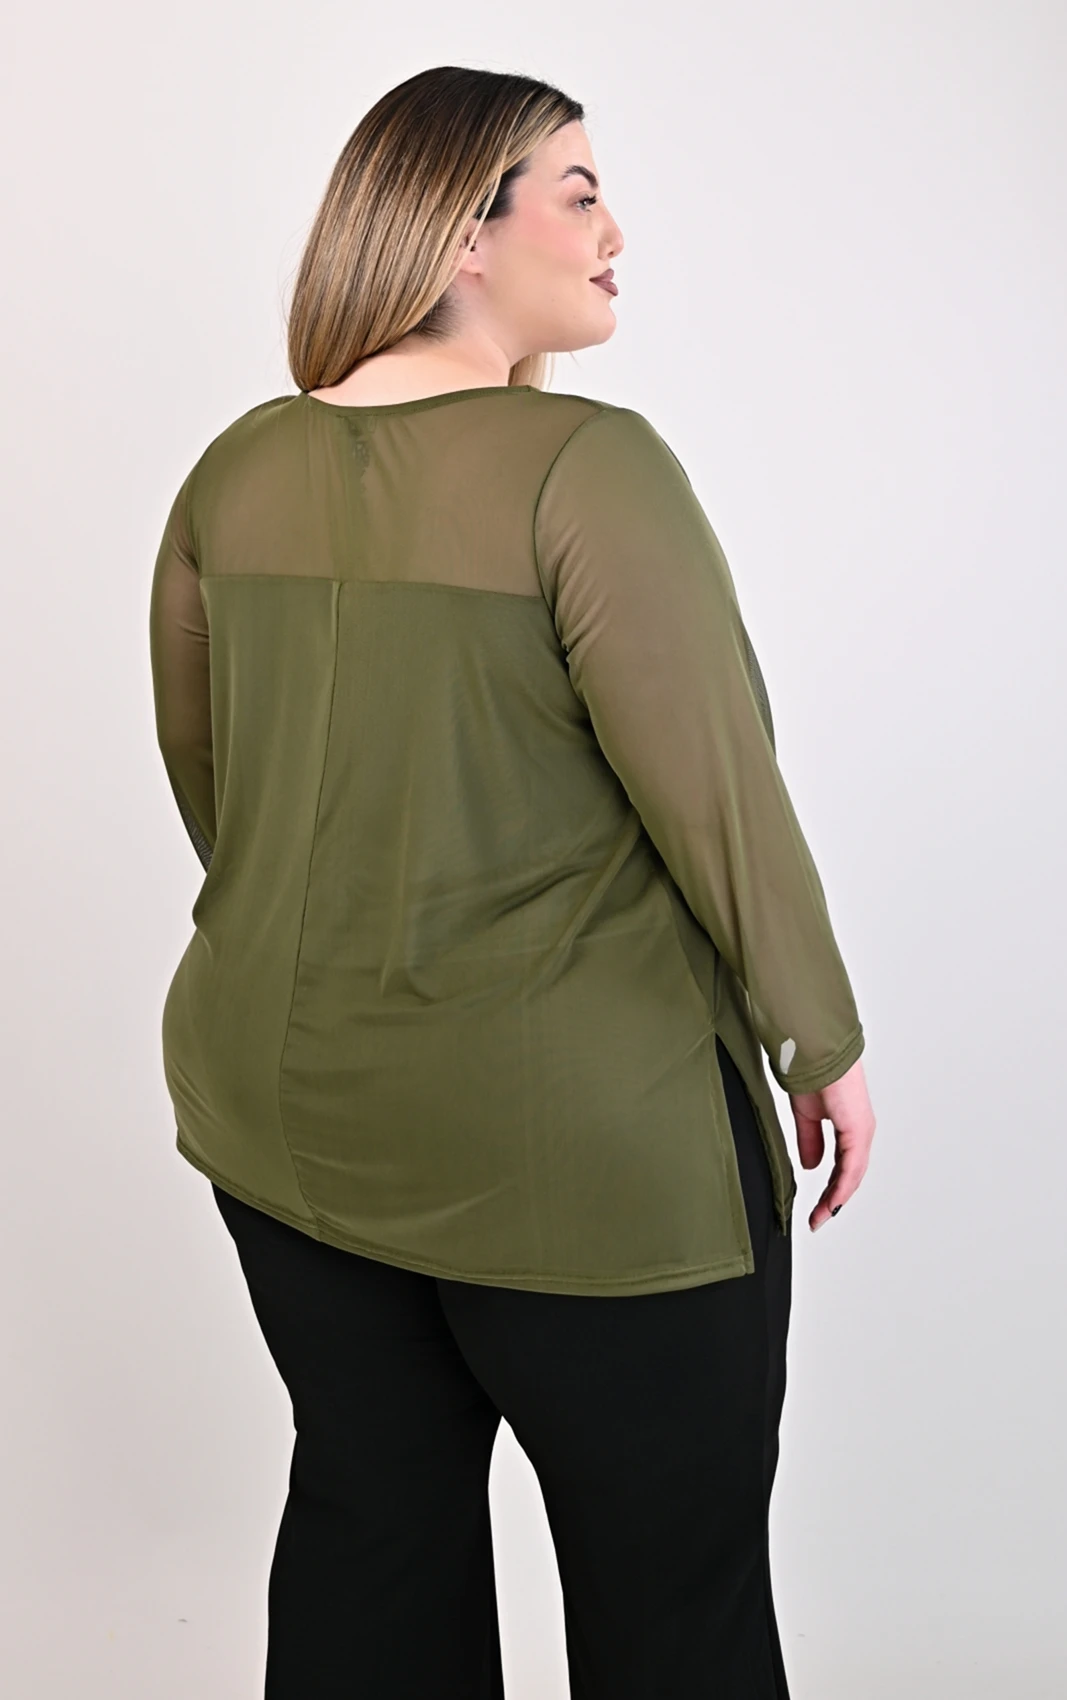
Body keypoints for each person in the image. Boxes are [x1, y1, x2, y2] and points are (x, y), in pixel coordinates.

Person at [149, 63, 876, 1700]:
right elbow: (717, 793)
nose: (615, 232)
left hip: (288, 1119)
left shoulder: (235, 472)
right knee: (673, 1611)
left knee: (370, 1544)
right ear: (459, 233)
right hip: (585, 1153)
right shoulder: (583, 468)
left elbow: (222, 793)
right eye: (578, 193)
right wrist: (815, 1037)